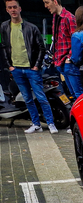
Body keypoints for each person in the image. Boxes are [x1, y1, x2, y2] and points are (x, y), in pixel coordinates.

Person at [1, 0, 57, 133]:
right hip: (16, 69)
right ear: (7, 10)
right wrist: (10, 66)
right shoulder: (4, 26)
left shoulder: (31, 27)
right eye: (10, 8)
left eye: (15, 7)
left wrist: (36, 66)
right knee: (27, 98)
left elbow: (41, 48)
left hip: (31, 69)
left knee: (41, 97)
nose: (13, 10)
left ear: (20, 9)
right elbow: (4, 47)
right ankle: (36, 124)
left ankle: (50, 123)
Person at [43, 0, 82, 100]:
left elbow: (77, 41)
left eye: (47, 2)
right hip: (61, 63)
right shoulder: (56, 18)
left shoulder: (69, 18)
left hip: (69, 64)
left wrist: (69, 59)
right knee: (73, 95)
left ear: (55, 1)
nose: (45, 6)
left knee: (79, 96)